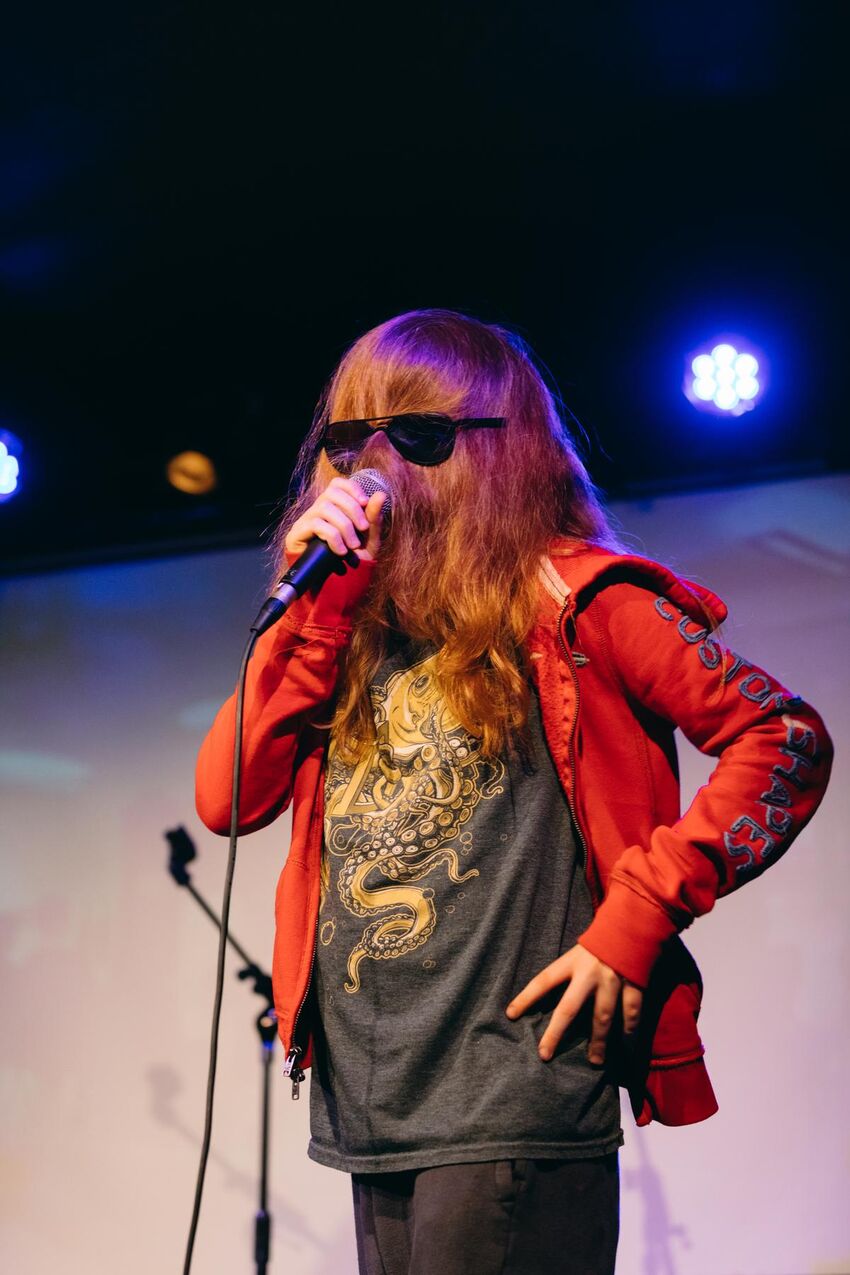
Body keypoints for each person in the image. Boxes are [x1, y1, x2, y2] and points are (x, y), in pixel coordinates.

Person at [195, 309, 833, 1275]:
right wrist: (315, 613)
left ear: (506, 451)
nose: (375, 467)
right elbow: (226, 800)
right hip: (375, 1108)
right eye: (346, 442)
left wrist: (638, 916)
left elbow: (783, 738)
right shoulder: (347, 626)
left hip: (512, 1097)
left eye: (417, 436)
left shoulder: (582, 602)